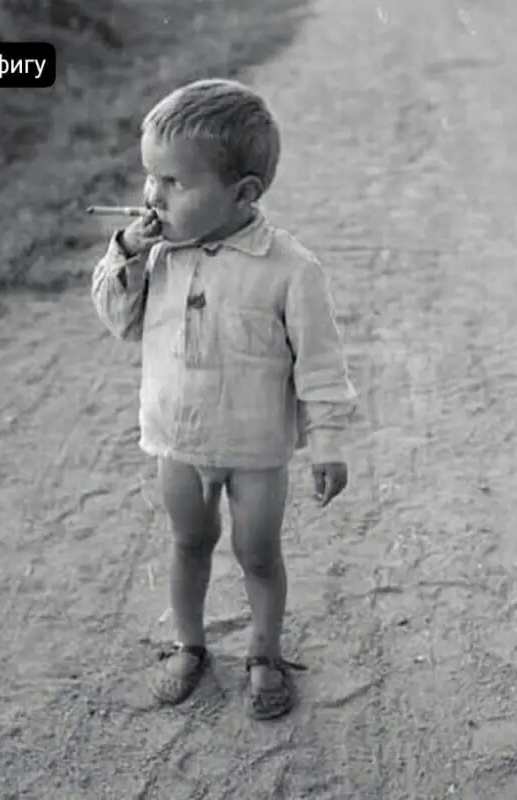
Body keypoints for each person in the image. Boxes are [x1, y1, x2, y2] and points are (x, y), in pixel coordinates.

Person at [91, 78, 358, 720]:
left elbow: (321, 362)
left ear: (243, 193)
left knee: (257, 553)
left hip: (256, 446)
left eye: (174, 183)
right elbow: (118, 320)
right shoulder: (159, 257)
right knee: (188, 542)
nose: (152, 196)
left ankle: (264, 652)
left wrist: (327, 440)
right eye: (150, 177)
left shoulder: (291, 269)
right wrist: (125, 253)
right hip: (177, 439)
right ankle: (189, 643)